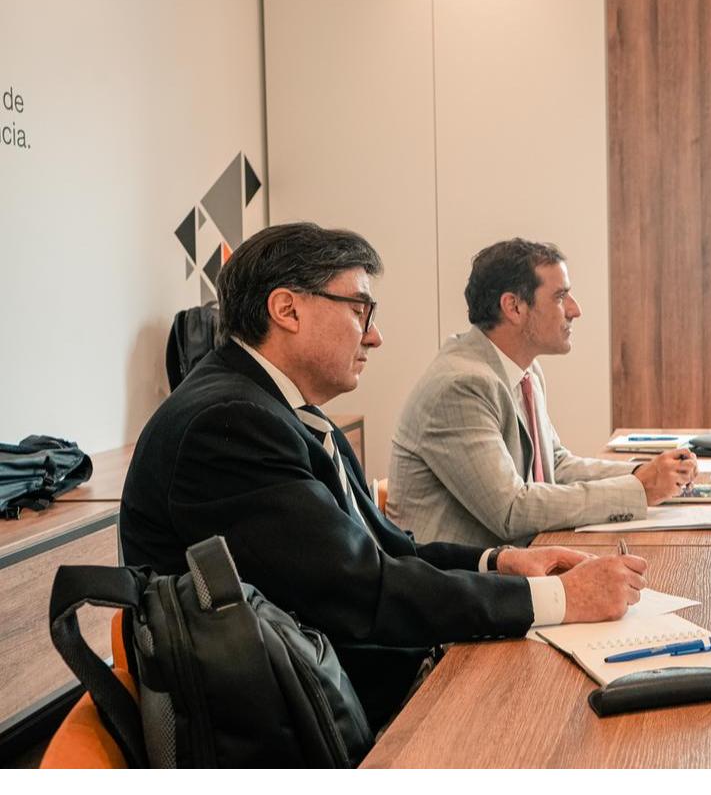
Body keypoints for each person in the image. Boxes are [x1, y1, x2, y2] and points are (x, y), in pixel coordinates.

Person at [120, 223, 648, 730]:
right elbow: (360, 590)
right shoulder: (228, 424)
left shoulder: (281, 409)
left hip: (351, 685)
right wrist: (558, 599)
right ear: (287, 310)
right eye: (359, 310)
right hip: (335, 722)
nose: (374, 336)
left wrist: (500, 563)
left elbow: (387, 549)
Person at [389, 238, 697, 547]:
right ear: (514, 307)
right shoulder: (460, 385)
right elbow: (511, 510)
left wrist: (643, 473)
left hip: (518, 559)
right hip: (461, 574)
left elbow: (555, 465)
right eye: (561, 297)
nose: (575, 310)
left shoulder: (526, 371)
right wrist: (639, 489)